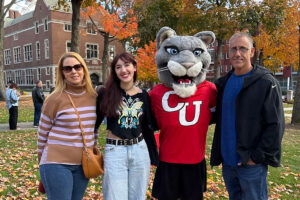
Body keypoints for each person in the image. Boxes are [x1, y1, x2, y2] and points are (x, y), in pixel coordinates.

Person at [210, 32, 285, 200]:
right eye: (233, 49)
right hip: (228, 164)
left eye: (243, 49)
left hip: (251, 165)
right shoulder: (223, 83)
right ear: (228, 53)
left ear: (252, 52)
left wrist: (255, 158)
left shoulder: (266, 82)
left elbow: (275, 125)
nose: (237, 53)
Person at [94, 52, 159, 200]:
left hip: (139, 151)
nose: (123, 70)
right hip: (115, 150)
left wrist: (153, 155)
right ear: (115, 72)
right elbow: (94, 123)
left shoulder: (143, 96)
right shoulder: (107, 94)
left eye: (127, 65)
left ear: (134, 67)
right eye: (118, 67)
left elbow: (148, 127)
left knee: (138, 196)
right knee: (114, 196)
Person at [37, 52, 97, 200]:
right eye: (68, 68)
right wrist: (42, 165)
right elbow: (42, 136)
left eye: (77, 67)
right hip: (56, 164)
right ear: (62, 73)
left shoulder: (94, 97)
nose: (74, 71)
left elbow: (93, 129)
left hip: (83, 165)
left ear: (84, 69)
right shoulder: (54, 99)